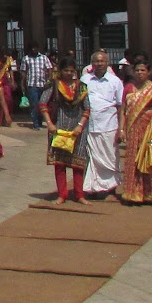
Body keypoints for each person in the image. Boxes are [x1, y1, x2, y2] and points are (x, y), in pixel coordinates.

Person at [41, 56, 92, 203]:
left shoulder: (81, 87)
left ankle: (79, 195)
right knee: (60, 163)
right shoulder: (53, 85)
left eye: (71, 70)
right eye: (66, 70)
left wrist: (80, 125)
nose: (69, 73)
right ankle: (62, 194)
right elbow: (43, 104)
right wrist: (49, 123)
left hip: (77, 130)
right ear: (60, 71)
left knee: (78, 163)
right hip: (58, 128)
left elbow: (87, 108)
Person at [118, 55, 152, 205]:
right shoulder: (128, 88)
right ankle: (133, 194)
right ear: (133, 72)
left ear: (148, 72)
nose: (140, 73)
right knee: (132, 160)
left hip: (150, 130)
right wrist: (121, 129)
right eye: (137, 70)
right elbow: (123, 110)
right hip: (133, 130)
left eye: (143, 70)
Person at [81, 50, 125, 198]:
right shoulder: (85, 80)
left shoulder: (115, 81)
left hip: (109, 125)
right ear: (92, 64)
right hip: (90, 125)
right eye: (96, 61)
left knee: (110, 157)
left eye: (102, 61)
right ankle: (93, 188)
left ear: (107, 63)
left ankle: (110, 187)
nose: (99, 64)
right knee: (92, 159)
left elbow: (121, 106)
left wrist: (121, 129)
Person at [20, 43, 53, 129]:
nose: (33, 50)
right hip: (32, 85)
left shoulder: (44, 58)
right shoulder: (26, 58)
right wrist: (22, 84)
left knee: (42, 104)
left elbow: (49, 70)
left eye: (35, 48)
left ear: (38, 48)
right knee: (34, 104)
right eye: (32, 48)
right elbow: (23, 73)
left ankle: (40, 121)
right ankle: (35, 123)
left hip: (43, 85)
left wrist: (49, 80)